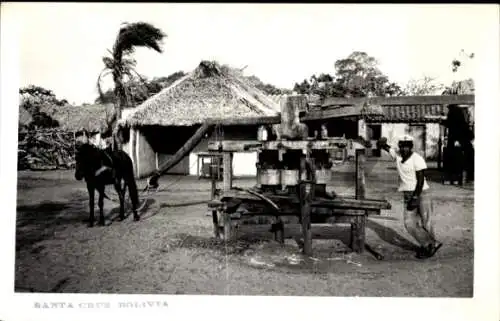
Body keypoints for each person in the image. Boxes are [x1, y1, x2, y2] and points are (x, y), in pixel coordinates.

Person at [378, 135, 443, 259]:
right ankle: (431, 243)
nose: (404, 149)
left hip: (422, 192)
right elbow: (386, 147)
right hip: (407, 194)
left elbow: (420, 181)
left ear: (411, 147)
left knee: (426, 222)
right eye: (402, 146)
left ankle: (428, 247)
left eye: (407, 146)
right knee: (409, 223)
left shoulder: (417, 159)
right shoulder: (397, 156)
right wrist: (382, 142)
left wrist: (415, 198)